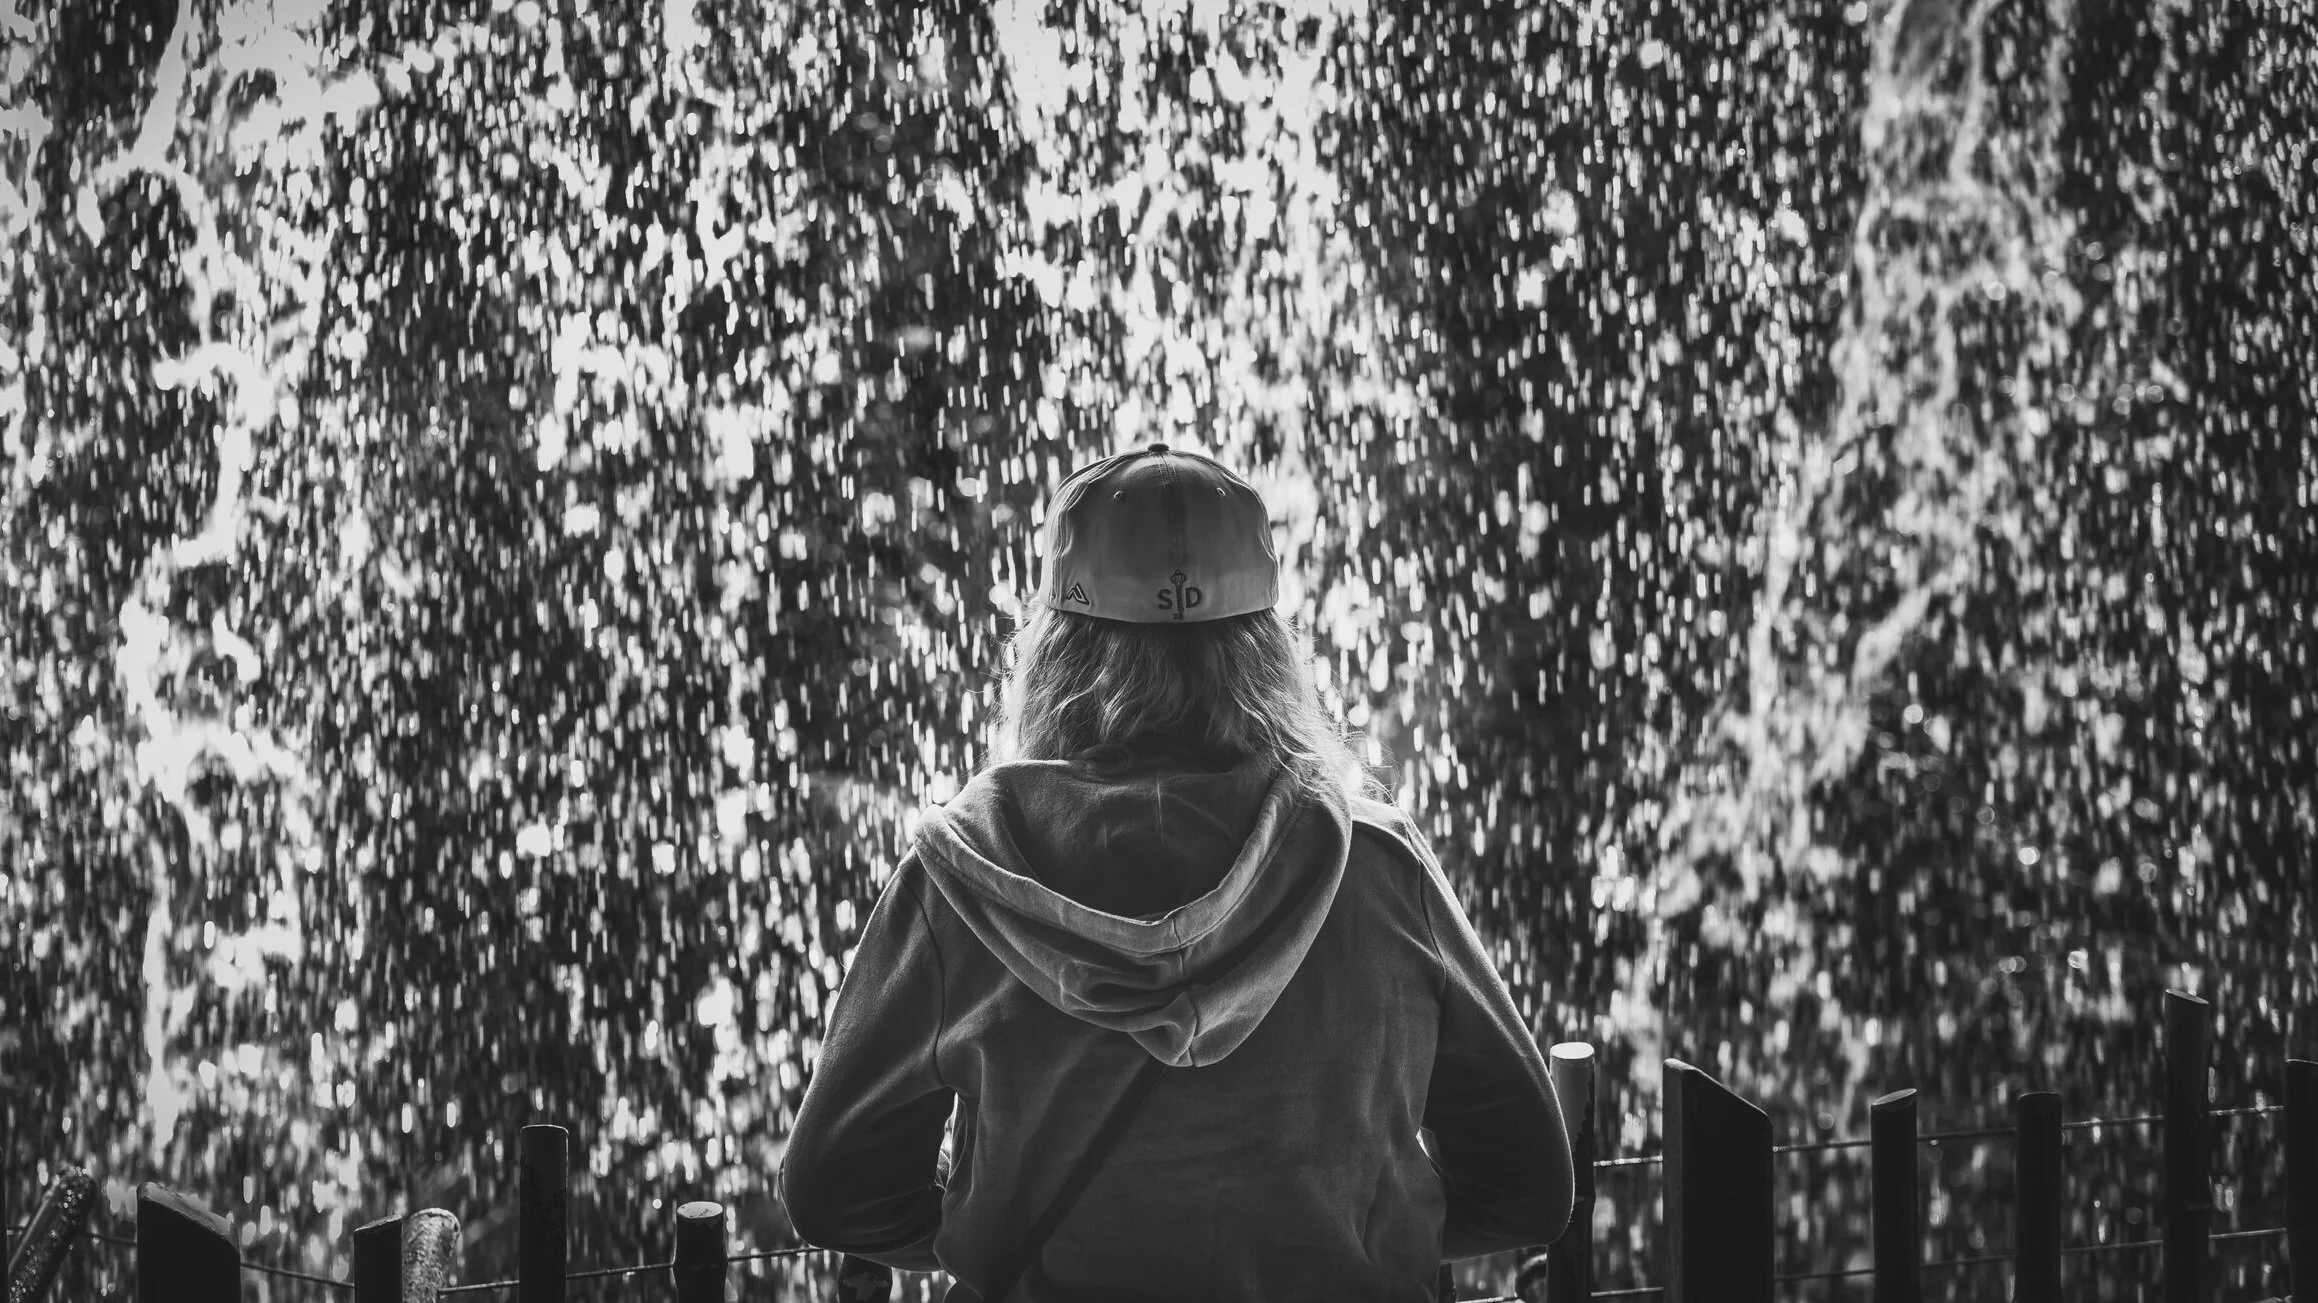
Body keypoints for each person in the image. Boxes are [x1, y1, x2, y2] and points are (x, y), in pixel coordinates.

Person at [779, 443, 1573, 1301]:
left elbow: (831, 1190)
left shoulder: (961, 882)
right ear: (1269, 651)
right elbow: (1530, 1188)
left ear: (1056, 650)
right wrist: (1367, 1234)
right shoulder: (1377, 871)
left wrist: (983, 1223)